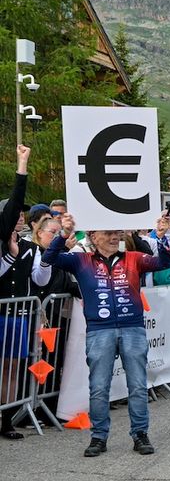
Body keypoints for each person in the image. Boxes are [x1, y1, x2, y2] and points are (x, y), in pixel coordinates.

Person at [42, 213, 170, 457]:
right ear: (93, 236)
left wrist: (162, 238)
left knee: (137, 385)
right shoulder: (81, 260)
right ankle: (98, 437)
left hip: (132, 328)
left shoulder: (134, 258)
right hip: (99, 330)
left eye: (116, 233)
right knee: (99, 387)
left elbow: (163, 263)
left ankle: (140, 434)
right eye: (108, 233)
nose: (114, 237)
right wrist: (64, 233)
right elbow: (49, 257)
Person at [0, 146, 54, 439]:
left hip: (18, 316)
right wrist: (9, 254)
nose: (19, 218)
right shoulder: (3, 243)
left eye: (22, 215)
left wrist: (47, 258)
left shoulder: (31, 248)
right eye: (14, 215)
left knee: (12, 368)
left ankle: (6, 419)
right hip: (1, 312)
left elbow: (40, 281)